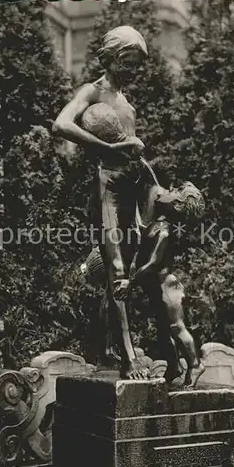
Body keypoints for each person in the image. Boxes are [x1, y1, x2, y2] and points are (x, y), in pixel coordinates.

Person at [52, 26, 152, 380]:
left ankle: (105, 348)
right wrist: (107, 148)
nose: (133, 71)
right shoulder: (91, 92)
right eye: (128, 63)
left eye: (138, 66)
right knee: (118, 269)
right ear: (109, 58)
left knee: (123, 272)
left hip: (130, 191)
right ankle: (127, 357)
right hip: (106, 188)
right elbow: (61, 124)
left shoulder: (127, 104)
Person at [114, 180, 206, 386]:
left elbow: (153, 263)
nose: (169, 189)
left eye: (174, 192)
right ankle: (174, 366)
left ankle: (195, 364)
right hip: (157, 289)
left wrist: (131, 282)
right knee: (164, 330)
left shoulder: (164, 231)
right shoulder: (157, 224)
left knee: (176, 327)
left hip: (167, 288)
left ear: (178, 205)